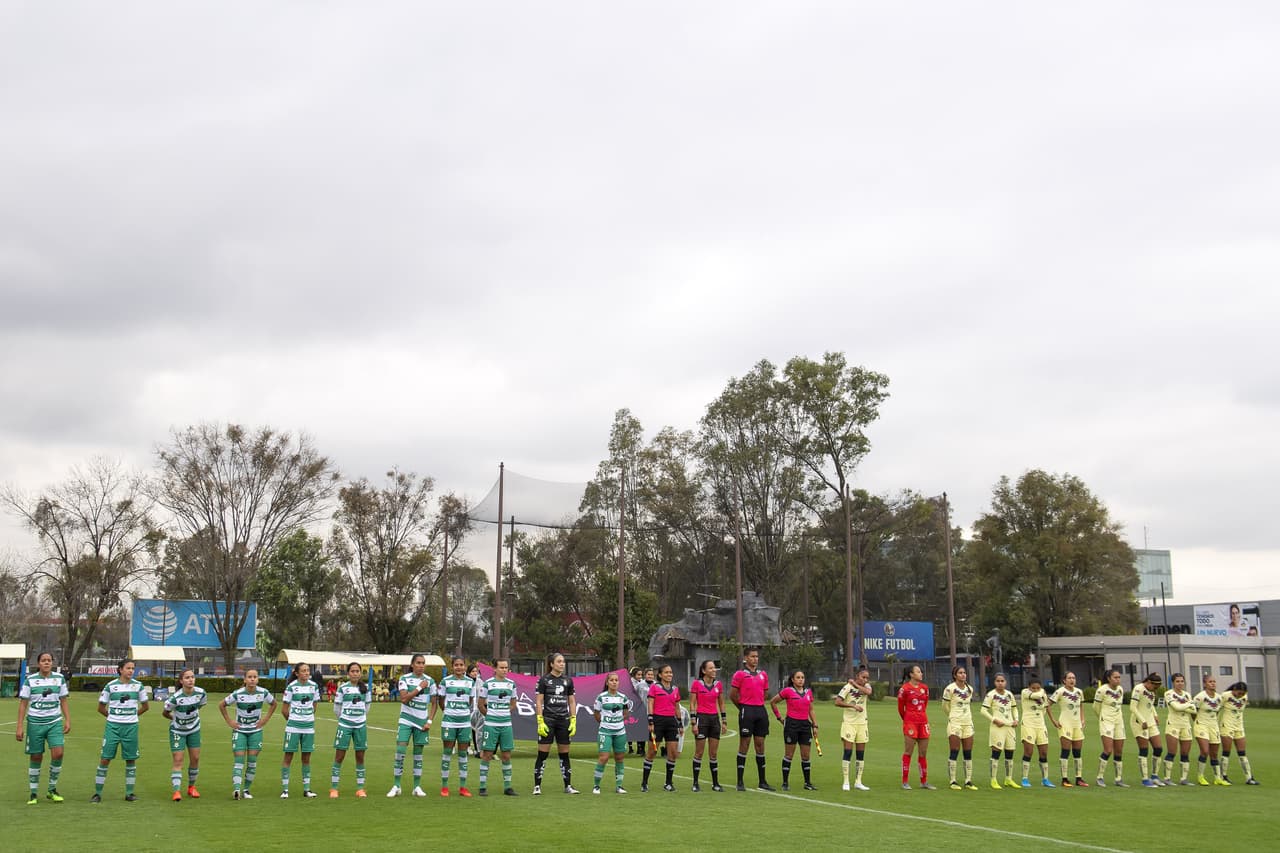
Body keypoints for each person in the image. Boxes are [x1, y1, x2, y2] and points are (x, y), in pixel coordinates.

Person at [92, 658, 150, 802]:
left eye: (133, 668)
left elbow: (145, 706)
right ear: (120, 669)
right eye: (128, 668)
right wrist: (113, 717)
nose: (131, 671)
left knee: (130, 759)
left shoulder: (138, 686)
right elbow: (100, 708)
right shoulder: (111, 686)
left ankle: (129, 793)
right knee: (105, 759)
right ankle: (97, 793)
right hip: (113, 727)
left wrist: (132, 716)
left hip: (131, 727)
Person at [16, 651, 70, 804]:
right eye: (43, 660)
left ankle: (52, 789)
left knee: (58, 753)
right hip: (35, 723)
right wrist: (19, 726)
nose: (46, 663)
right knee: (36, 756)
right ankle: (33, 793)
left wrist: (68, 720)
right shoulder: (30, 680)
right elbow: (23, 704)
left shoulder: (59, 679)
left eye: (49, 660)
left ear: (52, 663)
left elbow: (64, 700)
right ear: (38, 663)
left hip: (54, 722)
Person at [220, 668, 277, 800]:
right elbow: (222, 705)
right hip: (240, 730)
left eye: (255, 677)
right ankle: (236, 789)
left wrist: (265, 719)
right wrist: (229, 721)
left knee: (252, 761)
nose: (252, 679)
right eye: (250, 677)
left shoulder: (263, 693)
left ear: (258, 679)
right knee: (239, 759)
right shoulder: (238, 693)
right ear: (245, 679)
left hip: (255, 731)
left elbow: (274, 704)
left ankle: (246, 790)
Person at [388, 654, 434, 798]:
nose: (421, 665)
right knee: (400, 749)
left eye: (423, 663)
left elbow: (434, 703)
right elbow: (404, 699)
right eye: (418, 663)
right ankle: (396, 785)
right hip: (406, 719)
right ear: (412, 664)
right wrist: (419, 688)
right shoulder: (405, 679)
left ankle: (417, 786)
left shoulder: (430, 681)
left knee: (418, 754)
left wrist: (429, 721)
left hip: (421, 721)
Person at [533, 652, 579, 795]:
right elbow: (539, 701)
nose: (562, 664)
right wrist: (540, 720)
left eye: (563, 661)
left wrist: (573, 719)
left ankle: (568, 786)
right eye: (559, 661)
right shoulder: (544, 680)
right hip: (548, 720)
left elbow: (571, 701)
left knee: (564, 754)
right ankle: (537, 786)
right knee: (542, 754)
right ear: (552, 664)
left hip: (563, 721)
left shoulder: (568, 680)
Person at [730, 647, 774, 791]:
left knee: (760, 744)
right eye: (752, 656)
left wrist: (757, 703)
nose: (755, 659)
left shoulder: (763, 675)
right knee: (745, 744)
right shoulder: (740, 674)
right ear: (746, 658)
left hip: (760, 710)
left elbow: (765, 693)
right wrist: (743, 708)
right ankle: (740, 782)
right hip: (747, 710)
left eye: (756, 656)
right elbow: (733, 695)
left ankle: (762, 781)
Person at [770, 669, 819, 791]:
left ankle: (807, 783)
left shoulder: (808, 692)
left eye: (802, 677)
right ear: (792, 679)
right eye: (798, 677)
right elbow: (773, 702)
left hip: (805, 726)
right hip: (791, 725)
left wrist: (815, 725)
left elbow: (811, 709)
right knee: (789, 755)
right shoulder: (788, 691)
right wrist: (779, 718)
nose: (801, 679)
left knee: (806, 756)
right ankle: (785, 783)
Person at [477, 659, 519, 796]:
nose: (504, 670)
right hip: (491, 725)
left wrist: (505, 712)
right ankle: (482, 786)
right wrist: (489, 716)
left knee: (506, 755)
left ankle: (508, 787)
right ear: (494, 669)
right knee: (487, 754)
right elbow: (480, 704)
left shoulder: (511, 684)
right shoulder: (488, 683)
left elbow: (513, 703)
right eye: (501, 667)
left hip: (506, 724)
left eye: (506, 667)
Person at [163, 668, 206, 801]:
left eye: (192, 677)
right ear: (181, 681)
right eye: (187, 678)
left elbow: (200, 706)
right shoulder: (175, 698)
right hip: (177, 731)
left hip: (194, 729)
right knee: (178, 759)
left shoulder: (201, 693)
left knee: (195, 759)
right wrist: (176, 720)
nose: (190, 680)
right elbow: (165, 713)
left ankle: (191, 787)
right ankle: (176, 791)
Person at [330, 662, 371, 798]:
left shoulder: (366, 688)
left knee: (360, 756)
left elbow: (367, 707)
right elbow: (337, 708)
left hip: (360, 726)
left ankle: (360, 788)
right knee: (339, 756)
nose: (355, 673)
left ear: (360, 673)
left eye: (357, 671)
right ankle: (334, 788)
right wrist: (344, 719)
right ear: (348, 673)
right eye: (352, 671)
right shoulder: (343, 688)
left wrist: (360, 718)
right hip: (345, 725)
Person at [281, 662, 321, 799]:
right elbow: (284, 709)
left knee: (306, 758)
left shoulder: (314, 686)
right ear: (297, 673)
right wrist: (293, 720)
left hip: (308, 727)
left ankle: (307, 789)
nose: (306, 673)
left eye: (308, 670)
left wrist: (307, 717)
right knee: (288, 757)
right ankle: (285, 790)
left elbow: (314, 705)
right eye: (303, 670)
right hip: (293, 727)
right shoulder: (291, 687)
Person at [643, 663, 684, 792]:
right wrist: (650, 721)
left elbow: (677, 707)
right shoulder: (654, 688)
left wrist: (680, 723)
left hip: (671, 723)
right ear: (660, 675)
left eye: (670, 672)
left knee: (672, 753)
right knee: (652, 752)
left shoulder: (675, 689)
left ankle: (668, 783)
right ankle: (644, 783)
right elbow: (650, 703)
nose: (669, 674)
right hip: (658, 721)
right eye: (666, 672)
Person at [592, 671, 634, 794]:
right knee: (603, 757)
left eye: (616, 680)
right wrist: (605, 723)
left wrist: (618, 721)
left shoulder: (623, 697)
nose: (614, 682)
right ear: (607, 682)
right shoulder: (601, 697)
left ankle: (619, 786)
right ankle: (596, 786)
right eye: (612, 680)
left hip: (620, 731)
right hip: (605, 731)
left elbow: (626, 713)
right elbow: (596, 714)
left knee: (619, 758)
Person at [438, 656, 475, 797]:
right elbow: (441, 700)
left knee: (462, 754)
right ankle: (445, 787)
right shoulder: (445, 681)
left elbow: (470, 701)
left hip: (465, 722)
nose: (459, 667)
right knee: (447, 753)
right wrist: (448, 712)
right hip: (449, 722)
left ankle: (463, 787)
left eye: (461, 665)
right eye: (456, 665)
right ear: (452, 667)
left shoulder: (470, 682)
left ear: (465, 667)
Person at [689, 659, 727, 792]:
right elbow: (693, 704)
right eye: (710, 668)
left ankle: (715, 783)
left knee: (713, 753)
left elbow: (722, 703)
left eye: (714, 668)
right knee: (699, 752)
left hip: (714, 720)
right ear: (704, 671)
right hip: (701, 719)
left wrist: (724, 721)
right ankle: (695, 783)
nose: (714, 670)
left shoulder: (718, 685)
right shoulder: (697, 684)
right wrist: (693, 722)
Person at [834, 665, 872, 792]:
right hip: (849, 723)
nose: (865, 680)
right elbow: (837, 702)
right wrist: (852, 706)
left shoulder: (865, 686)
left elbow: (868, 692)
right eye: (863, 677)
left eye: (867, 678)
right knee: (848, 752)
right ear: (857, 676)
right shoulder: (847, 687)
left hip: (862, 724)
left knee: (860, 754)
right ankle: (846, 781)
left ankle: (858, 781)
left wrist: (855, 684)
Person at [980, 673, 1020, 790]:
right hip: (997, 727)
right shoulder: (991, 695)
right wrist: (994, 719)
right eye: (998, 681)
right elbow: (983, 710)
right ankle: (993, 779)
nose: (1000, 683)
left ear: (1006, 682)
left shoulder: (1009, 694)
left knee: (1010, 753)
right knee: (996, 753)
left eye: (1002, 681)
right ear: (994, 682)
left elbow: (1014, 708)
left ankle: (1008, 779)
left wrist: (1016, 719)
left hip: (1010, 727)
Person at [1048, 671, 1087, 786]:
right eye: (1069, 678)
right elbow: (1047, 705)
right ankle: (1064, 779)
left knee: (1077, 752)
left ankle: (1079, 778)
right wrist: (1054, 721)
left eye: (1073, 678)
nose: (1072, 680)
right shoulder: (1060, 691)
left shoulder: (1079, 692)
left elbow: (1081, 706)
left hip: (1077, 725)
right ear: (1064, 680)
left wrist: (1082, 719)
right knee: (1066, 751)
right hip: (1065, 724)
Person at [897, 665, 934, 790]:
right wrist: (908, 720)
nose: (921, 673)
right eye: (918, 671)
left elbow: (925, 704)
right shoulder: (905, 689)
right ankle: (905, 781)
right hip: (910, 723)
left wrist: (920, 716)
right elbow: (900, 708)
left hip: (923, 722)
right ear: (911, 674)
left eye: (921, 671)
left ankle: (924, 781)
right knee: (908, 751)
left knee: (923, 753)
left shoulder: (925, 688)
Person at [941, 665, 977, 790]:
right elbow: (945, 706)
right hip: (955, 722)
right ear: (955, 675)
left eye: (964, 672)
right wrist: (952, 716)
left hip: (968, 722)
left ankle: (968, 781)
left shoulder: (970, 689)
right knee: (954, 751)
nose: (963, 675)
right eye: (960, 673)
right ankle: (953, 781)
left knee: (968, 752)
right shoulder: (950, 689)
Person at [1092, 668, 1128, 787]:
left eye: (1119, 677)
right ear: (1109, 678)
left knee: (1119, 751)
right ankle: (1099, 777)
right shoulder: (1102, 690)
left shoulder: (1120, 689)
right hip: (1106, 721)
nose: (1118, 679)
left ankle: (1118, 779)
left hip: (1119, 722)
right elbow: (1095, 707)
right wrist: (1102, 718)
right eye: (1115, 677)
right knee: (1108, 750)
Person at [1129, 672, 1165, 787]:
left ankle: (1154, 776)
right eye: (1155, 687)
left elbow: (1150, 704)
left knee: (1158, 748)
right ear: (1149, 682)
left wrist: (1155, 715)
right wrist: (1142, 720)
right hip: (1139, 722)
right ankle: (1145, 779)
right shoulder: (1139, 689)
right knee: (1144, 750)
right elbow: (1132, 707)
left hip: (1150, 721)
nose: (1156, 689)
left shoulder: (1151, 691)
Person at [1018, 675, 1054, 787]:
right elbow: (1038, 695)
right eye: (1033, 688)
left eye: (1038, 688)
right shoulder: (1025, 692)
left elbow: (1046, 706)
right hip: (1028, 725)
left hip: (1040, 725)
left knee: (1044, 752)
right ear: (1028, 687)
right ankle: (1024, 778)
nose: (1035, 690)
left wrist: (1051, 719)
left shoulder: (1041, 693)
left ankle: (1045, 779)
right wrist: (1042, 691)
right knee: (1028, 751)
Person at [1220, 681, 1258, 785]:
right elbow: (1216, 708)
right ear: (1234, 690)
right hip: (1227, 725)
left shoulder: (1245, 697)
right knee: (1226, 752)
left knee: (1242, 753)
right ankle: (1223, 776)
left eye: (1243, 693)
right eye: (1239, 693)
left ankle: (1249, 777)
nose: (1241, 695)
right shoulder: (1225, 696)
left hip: (1239, 726)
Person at [1161, 673, 1196, 785]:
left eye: (1182, 681)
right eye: (1177, 681)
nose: (1180, 683)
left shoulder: (1187, 695)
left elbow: (1194, 711)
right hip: (1173, 724)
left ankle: (1184, 779)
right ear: (1173, 682)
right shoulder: (1169, 693)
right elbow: (1176, 707)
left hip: (1186, 725)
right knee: (1172, 752)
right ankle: (1167, 778)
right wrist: (1188, 705)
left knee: (1185, 753)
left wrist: (1185, 706)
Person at [1193, 674, 1227, 785]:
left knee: (1214, 753)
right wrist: (1198, 721)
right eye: (1210, 682)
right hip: (1201, 725)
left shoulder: (1219, 698)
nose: (1213, 683)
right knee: (1205, 751)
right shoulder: (1200, 697)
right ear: (1205, 684)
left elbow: (1217, 711)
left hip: (1214, 726)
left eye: (1214, 681)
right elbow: (1194, 712)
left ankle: (1218, 778)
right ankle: (1200, 776)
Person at [466, 663, 484, 758]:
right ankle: (467, 747)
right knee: (466, 728)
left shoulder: (480, 682)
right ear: (468, 673)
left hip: (477, 709)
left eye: (476, 671)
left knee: (476, 729)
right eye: (472, 671)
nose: (474, 673)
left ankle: (478, 748)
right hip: (468, 708)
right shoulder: (466, 681)